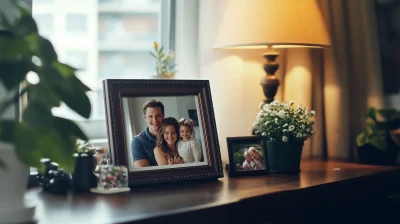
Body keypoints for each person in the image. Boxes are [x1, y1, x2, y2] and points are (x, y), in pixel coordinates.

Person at [131, 100, 165, 167]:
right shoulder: (138, 141)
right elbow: (144, 173)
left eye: (158, 116)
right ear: (145, 117)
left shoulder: (171, 134)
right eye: (150, 116)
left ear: (163, 116)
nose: (155, 120)